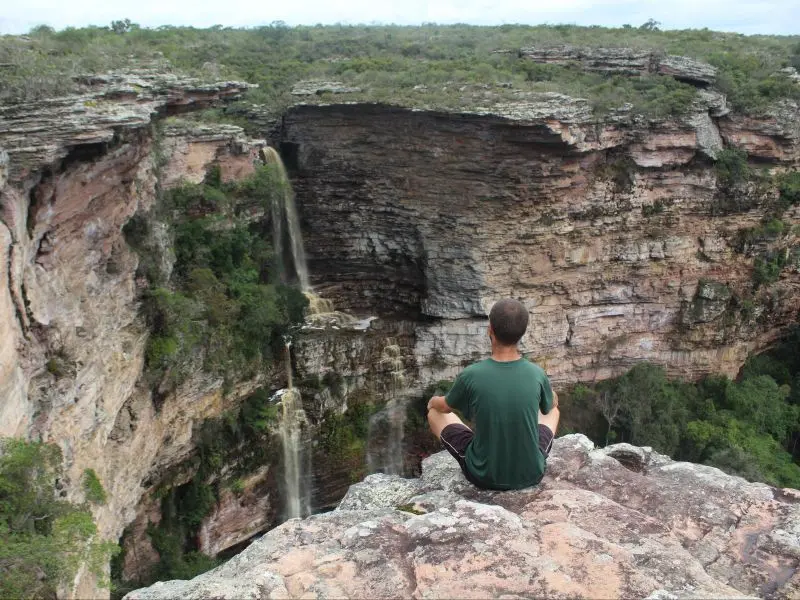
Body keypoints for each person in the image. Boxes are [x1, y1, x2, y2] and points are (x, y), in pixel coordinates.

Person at [426, 298, 560, 490]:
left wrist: (432, 401)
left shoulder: (471, 374)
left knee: (435, 413)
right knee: (553, 412)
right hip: (532, 472)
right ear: (522, 333)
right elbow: (551, 405)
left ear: (490, 330)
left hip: (483, 475)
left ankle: (484, 447)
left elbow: (444, 406)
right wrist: (550, 396)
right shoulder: (536, 373)